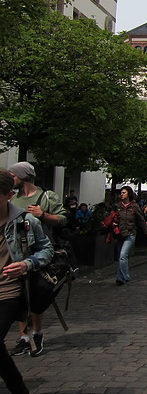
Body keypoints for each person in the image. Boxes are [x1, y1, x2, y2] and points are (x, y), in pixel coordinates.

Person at [0, 169, 53, 393]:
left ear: (8, 195)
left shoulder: (25, 221)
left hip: (8, 291)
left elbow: (47, 250)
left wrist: (26, 264)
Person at [7, 161, 66, 358]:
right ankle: (23, 337)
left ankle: (37, 333)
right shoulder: (12, 198)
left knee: (35, 297)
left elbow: (63, 219)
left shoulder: (45, 196)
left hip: (39, 255)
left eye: (12, 175)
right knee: (18, 298)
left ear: (22, 176)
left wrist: (44, 215)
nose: (10, 178)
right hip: (14, 256)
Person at [115, 186, 147, 286]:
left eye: (123, 193)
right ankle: (126, 275)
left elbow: (141, 220)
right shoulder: (118, 206)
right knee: (121, 256)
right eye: (121, 193)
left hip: (130, 233)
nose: (121, 195)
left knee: (123, 255)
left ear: (128, 194)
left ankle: (121, 277)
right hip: (120, 234)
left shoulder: (134, 206)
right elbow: (114, 218)